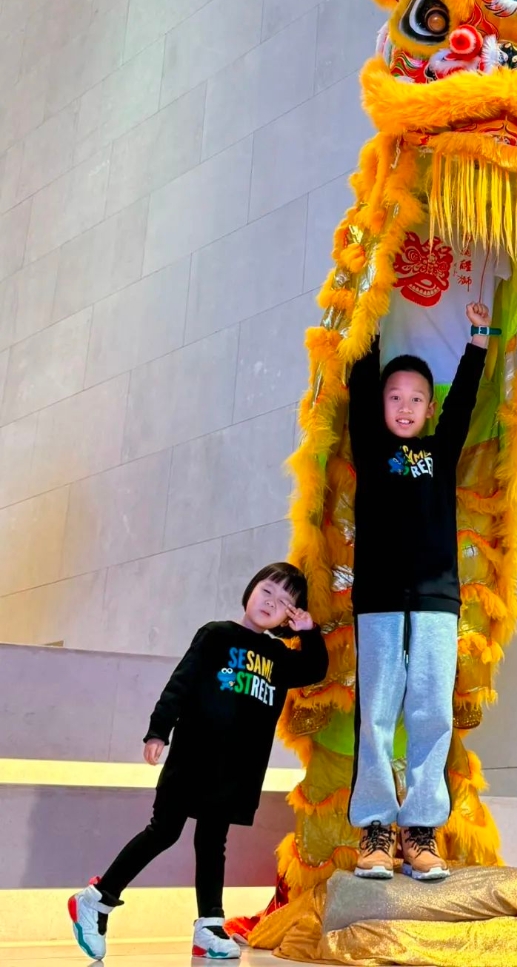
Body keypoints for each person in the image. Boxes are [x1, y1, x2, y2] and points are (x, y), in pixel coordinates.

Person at [67, 562, 328, 961]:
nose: (271, 602)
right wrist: (158, 730)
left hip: (235, 771)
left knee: (212, 842)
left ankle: (209, 925)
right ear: (250, 590)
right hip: (193, 757)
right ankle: (97, 899)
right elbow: (181, 682)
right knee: (163, 831)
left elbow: (314, 669)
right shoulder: (216, 634)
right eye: (267, 591)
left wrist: (309, 633)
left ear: (287, 617)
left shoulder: (278, 657)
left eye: (284, 602)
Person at [347, 300, 492, 882]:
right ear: (380, 406)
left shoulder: (440, 450)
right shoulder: (370, 446)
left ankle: (421, 830)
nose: (405, 406)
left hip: (436, 600)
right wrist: (369, 318)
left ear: (430, 408)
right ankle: (376, 829)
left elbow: (464, 403)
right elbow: (361, 383)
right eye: (394, 397)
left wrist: (477, 340)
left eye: (416, 399)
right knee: (377, 714)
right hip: (379, 600)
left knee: (431, 711)